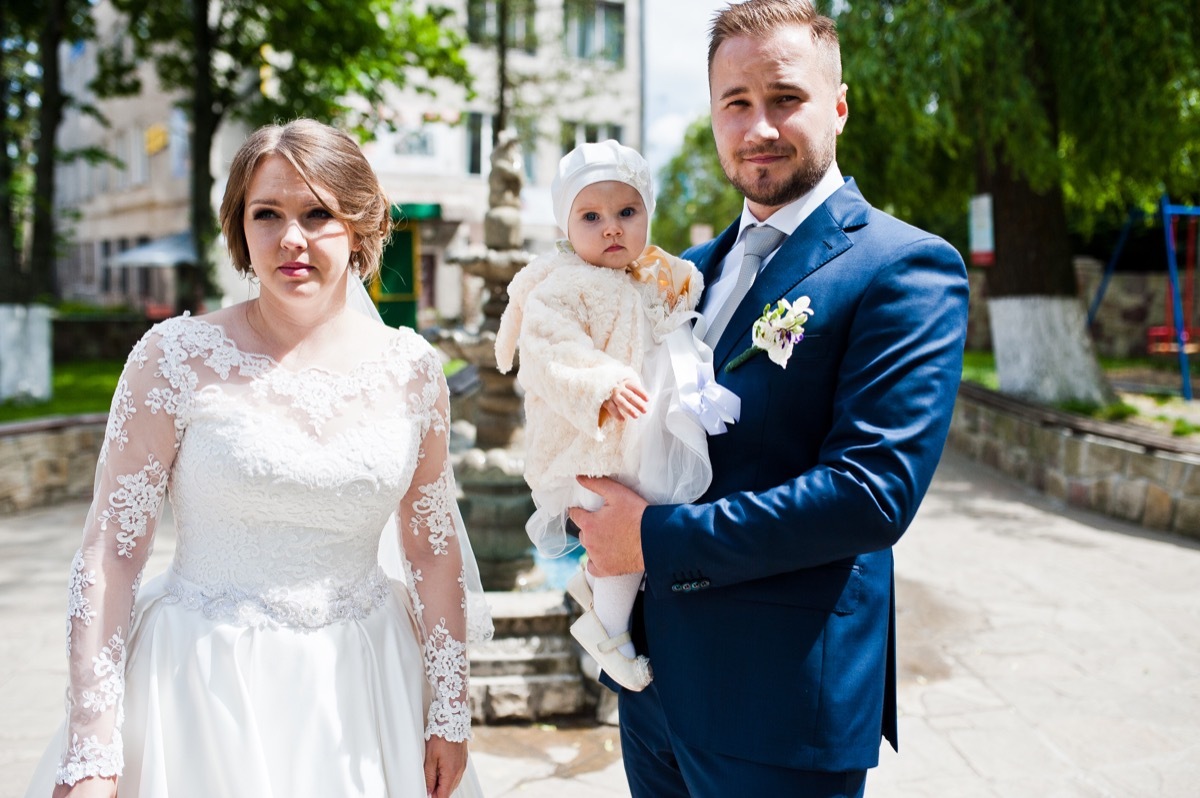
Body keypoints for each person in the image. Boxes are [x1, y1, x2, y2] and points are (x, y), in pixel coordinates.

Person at [569, 1, 970, 796]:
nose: (759, 127)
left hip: (779, 709)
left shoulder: (905, 268)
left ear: (839, 105)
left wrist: (652, 538)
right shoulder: (680, 272)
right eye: (736, 103)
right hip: (656, 694)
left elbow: (869, 494)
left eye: (784, 98)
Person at [24, 119, 492, 798]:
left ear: (360, 228)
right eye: (266, 214)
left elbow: (432, 551)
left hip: (364, 690)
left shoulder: (414, 372)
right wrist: (94, 740)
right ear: (240, 228)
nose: (291, 238)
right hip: (198, 686)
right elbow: (111, 555)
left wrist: (449, 709)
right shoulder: (173, 358)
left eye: (317, 214)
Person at [494, 140, 738, 692]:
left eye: (627, 213)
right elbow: (549, 349)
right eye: (591, 216)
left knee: (633, 526)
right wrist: (600, 384)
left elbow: (668, 318)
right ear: (566, 225)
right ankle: (610, 637)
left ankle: (594, 593)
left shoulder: (642, 275)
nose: (612, 228)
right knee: (624, 534)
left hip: (629, 439)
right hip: (590, 443)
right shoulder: (564, 284)